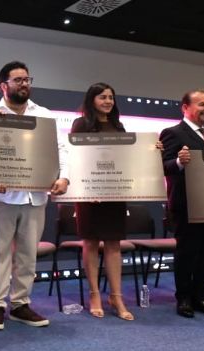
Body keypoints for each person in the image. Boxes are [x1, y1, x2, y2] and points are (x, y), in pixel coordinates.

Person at [0, 61, 69, 330]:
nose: (24, 84)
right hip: (1, 197)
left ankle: (20, 304)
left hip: (35, 196)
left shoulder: (43, 114)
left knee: (27, 255)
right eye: (18, 80)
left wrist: (64, 177)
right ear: (3, 85)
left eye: (27, 79)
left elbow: (60, 150)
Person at [159, 89, 204, 319]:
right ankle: (184, 299)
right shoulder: (173, 133)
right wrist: (179, 161)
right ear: (185, 108)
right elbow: (162, 166)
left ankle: (201, 298)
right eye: (201, 104)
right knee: (188, 253)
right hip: (186, 204)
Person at [69, 82, 134, 321]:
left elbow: (126, 158)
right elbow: (76, 158)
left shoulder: (119, 126)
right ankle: (94, 294)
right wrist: (89, 187)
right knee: (91, 242)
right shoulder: (81, 124)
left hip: (115, 193)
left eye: (110, 97)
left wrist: (150, 149)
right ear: (92, 100)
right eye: (102, 97)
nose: (107, 101)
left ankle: (116, 297)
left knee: (114, 244)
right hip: (90, 194)